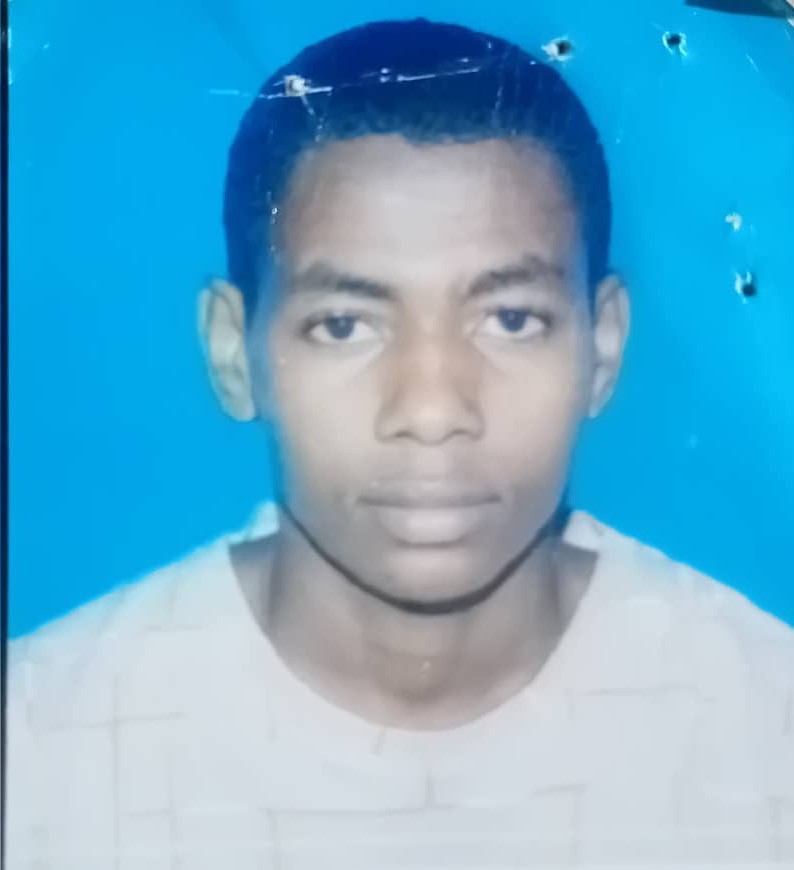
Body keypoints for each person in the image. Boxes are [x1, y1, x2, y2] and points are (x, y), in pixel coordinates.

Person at [6, 18, 794, 869]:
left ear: (602, 349)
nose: (430, 410)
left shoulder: (766, 726)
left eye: (511, 319)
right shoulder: (38, 752)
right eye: (344, 325)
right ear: (234, 355)